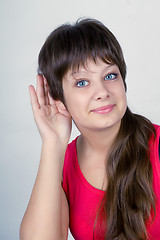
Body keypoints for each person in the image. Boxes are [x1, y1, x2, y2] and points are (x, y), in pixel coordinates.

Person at [20, 18, 160, 240]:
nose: (102, 91)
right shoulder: (61, 164)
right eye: (82, 82)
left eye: (110, 76)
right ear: (57, 97)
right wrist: (52, 143)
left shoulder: (157, 144)